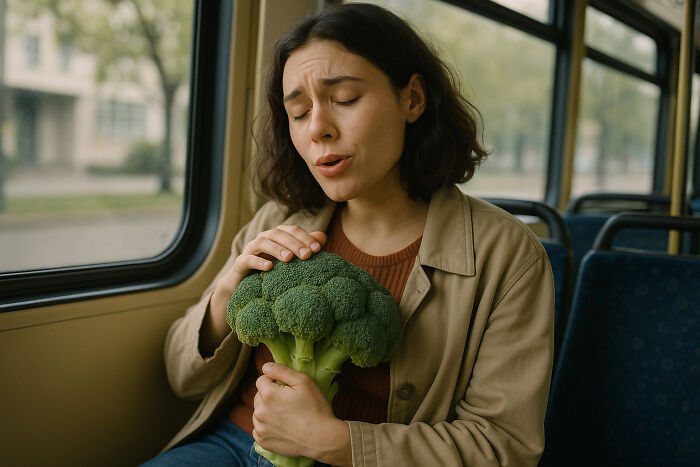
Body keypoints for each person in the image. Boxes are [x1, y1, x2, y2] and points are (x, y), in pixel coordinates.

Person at [144, 3, 554, 466]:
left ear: (413, 99)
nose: (318, 128)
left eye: (345, 100)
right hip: (235, 448)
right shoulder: (277, 219)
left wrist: (336, 443)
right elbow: (182, 376)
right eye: (298, 112)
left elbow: (505, 447)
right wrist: (225, 293)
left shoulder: (510, 257)